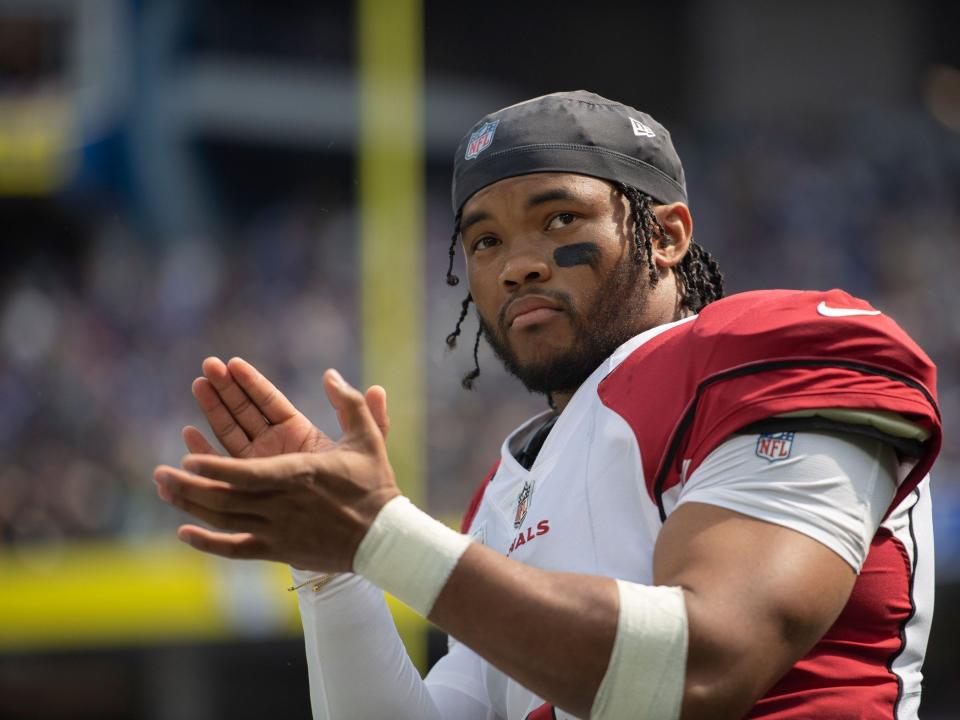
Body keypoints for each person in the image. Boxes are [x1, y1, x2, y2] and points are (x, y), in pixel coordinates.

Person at [153, 91, 941, 720]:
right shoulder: (508, 487)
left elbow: (706, 670)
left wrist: (381, 535)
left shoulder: (774, 350)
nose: (518, 266)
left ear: (665, 235)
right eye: (485, 242)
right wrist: (336, 567)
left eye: (559, 219)